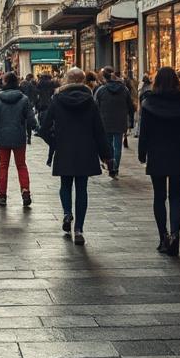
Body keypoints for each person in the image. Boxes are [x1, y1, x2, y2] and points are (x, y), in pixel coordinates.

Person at [38, 68, 112, 246]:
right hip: (86, 150)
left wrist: (55, 142)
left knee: (65, 185)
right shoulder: (90, 100)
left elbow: (44, 128)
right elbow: (99, 130)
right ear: (83, 81)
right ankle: (79, 229)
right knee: (81, 189)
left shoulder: (57, 100)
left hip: (65, 149)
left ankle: (66, 213)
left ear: (66, 79)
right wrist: (106, 155)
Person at [137, 67, 180, 256]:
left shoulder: (149, 104)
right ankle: (175, 235)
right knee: (175, 197)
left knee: (159, 196)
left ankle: (163, 237)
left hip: (157, 154)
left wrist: (142, 153)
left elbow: (145, 132)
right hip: (179, 154)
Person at [0, 72, 36, 207]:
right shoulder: (24, 99)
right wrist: (37, 129)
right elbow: (31, 119)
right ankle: (25, 190)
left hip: (2, 137)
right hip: (19, 136)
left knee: (3, 166)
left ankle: (2, 195)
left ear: (6, 82)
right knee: (21, 165)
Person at [94, 67, 134, 179]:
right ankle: (115, 168)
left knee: (109, 145)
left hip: (105, 121)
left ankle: (111, 167)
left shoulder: (101, 90)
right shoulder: (124, 90)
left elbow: (95, 106)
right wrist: (130, 121)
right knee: (118, 146)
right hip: (120, 121)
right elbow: (130, 106)